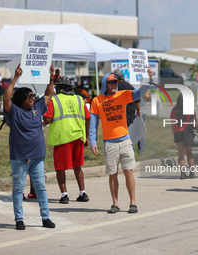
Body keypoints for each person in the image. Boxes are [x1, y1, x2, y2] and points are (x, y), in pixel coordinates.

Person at [89, 66, 153, 214]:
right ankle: (115, 204)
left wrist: (148, 79)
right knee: (112, 174)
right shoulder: (96, 101)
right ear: (105, 83)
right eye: (111, 82)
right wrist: (93, 141)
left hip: (125, 140)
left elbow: (140, 93)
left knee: (128, 171)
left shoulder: (123, 95)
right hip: (109, 142)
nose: (114, 84)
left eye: (115, 82)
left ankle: (133, 203)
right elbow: (93, 125)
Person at [3, 64, 55, 230]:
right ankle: (19, 220)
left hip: (37, 156)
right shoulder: (14, 112)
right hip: (20, 158)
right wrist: (16, 77)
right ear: (21, 100)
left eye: (33, 96)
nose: (33, 98)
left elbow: (48, 94)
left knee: (40, 187)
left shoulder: (37, 108)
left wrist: (51, 77)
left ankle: (45, 218)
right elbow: (6, 98)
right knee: (18, 189)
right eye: (29, 96)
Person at [43, 76, 90, 204]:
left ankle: (64, 195)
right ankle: (83, 193)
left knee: (60, 168)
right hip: (78, 137)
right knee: (77, 166)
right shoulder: (80, 99)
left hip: (62, 138)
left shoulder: (55, 100)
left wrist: (39, 121)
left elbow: (47, 119)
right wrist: (86, 136)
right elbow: (87, 118)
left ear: (59, 88)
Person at [170, 94, 198, 179]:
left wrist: (174, 134)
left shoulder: (174, 111)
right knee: (189, 153)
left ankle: (182, 173)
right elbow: (195, 123)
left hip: (178, 132)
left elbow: (172, 124)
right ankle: (192, 172)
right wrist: (196, 132)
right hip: (188, 132)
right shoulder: (191, 110)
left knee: (181, 154)